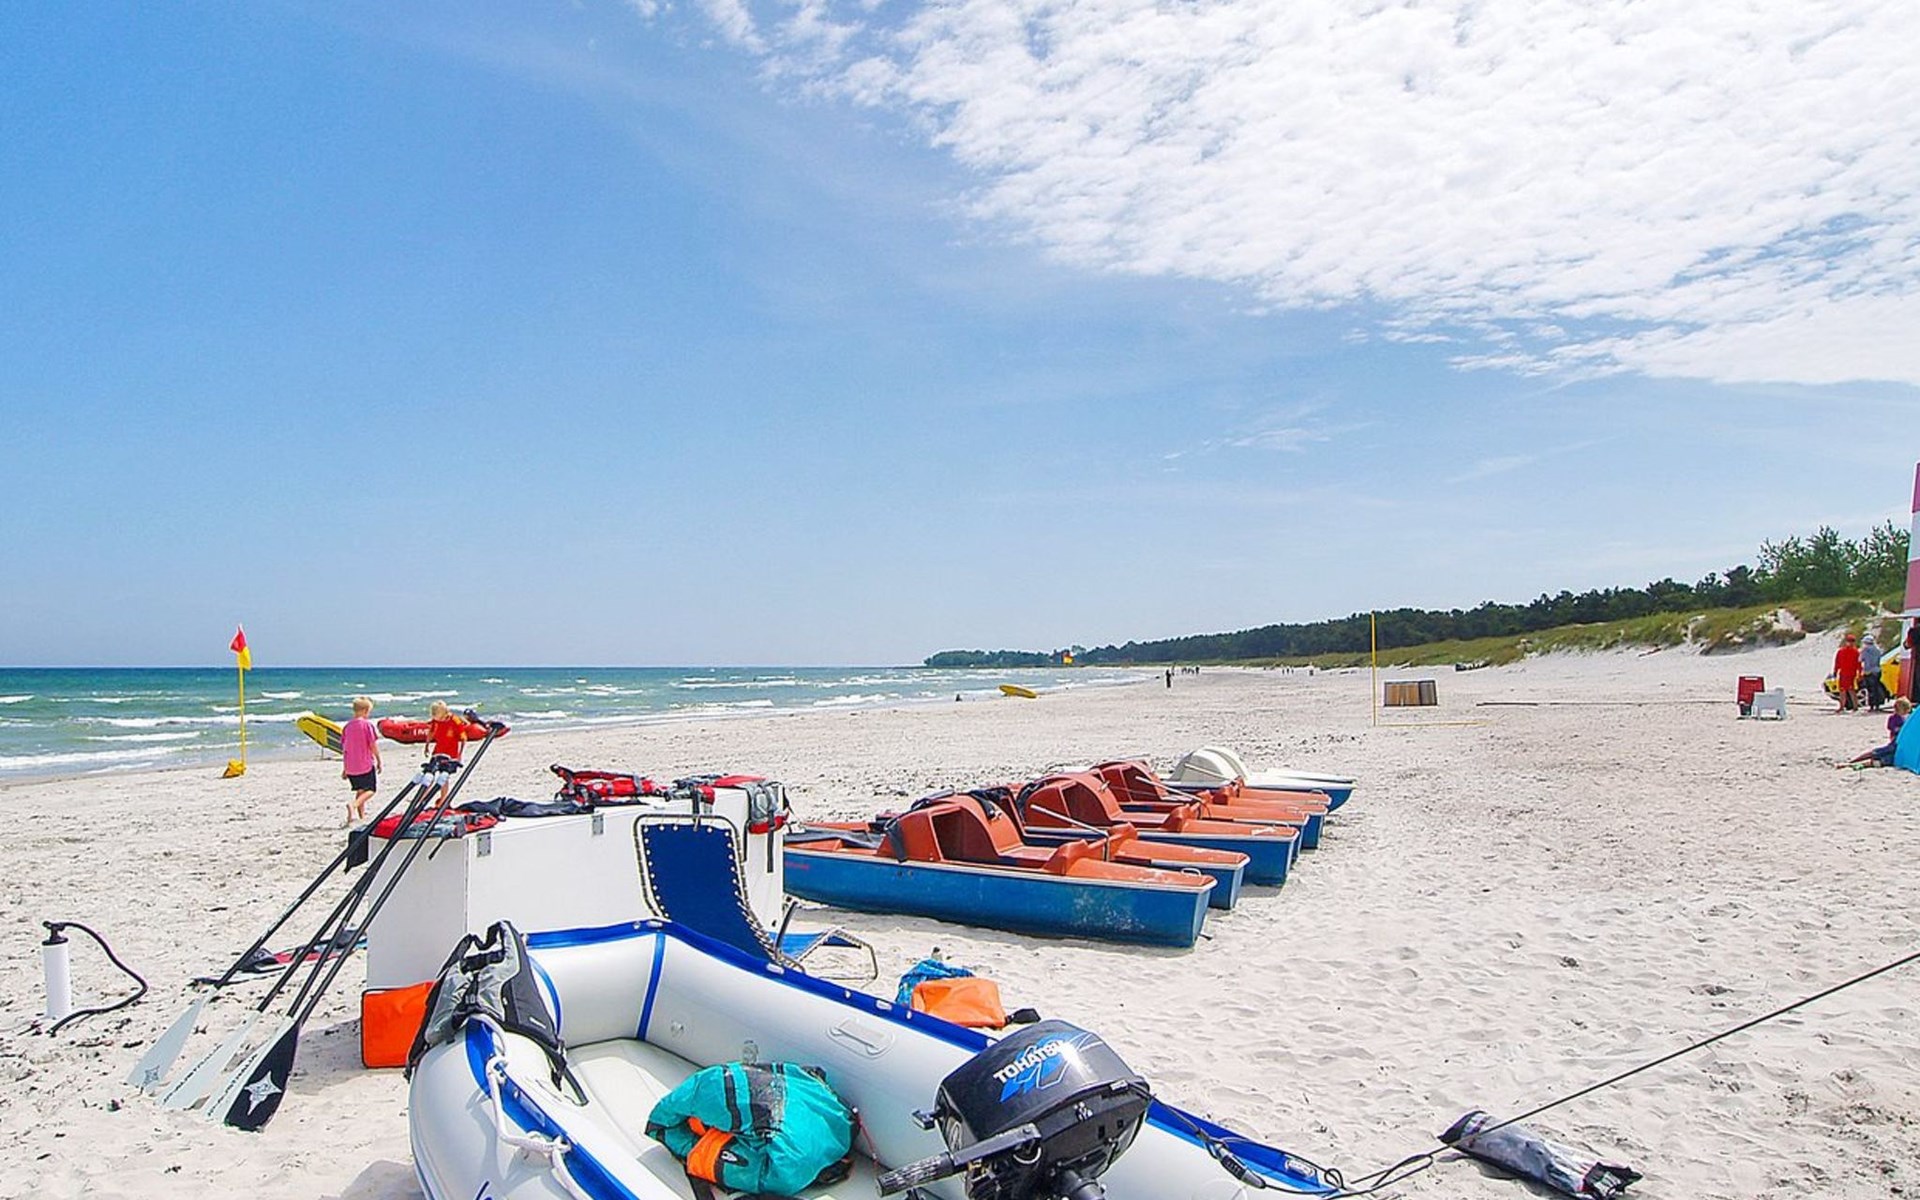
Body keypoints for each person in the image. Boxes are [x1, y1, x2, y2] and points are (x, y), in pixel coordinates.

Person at [340, 696, 381, 824]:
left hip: (351, 766)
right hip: (365, 764)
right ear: (365, 711)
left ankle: (361, 816)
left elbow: (345, 749)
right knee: (370, 790)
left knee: (360, 791)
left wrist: (345, 768)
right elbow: (372, 745)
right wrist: (379, 760)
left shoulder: (347, 727)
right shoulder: (367, 725)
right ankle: (354, 805)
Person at [1840, 697, 1910, 767]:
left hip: (1897, 741)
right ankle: (1852, 762)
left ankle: (1856, 763)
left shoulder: (1903, 718)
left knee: (1883, 755)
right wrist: (1898, 729)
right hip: (1894, 739)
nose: (1906, 713)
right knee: (1878, 752)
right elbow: (1890, 727)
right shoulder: (1893, 717)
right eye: (1905, 711)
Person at [425, 700, 466, 804]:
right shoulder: (435, 721)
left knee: (443, 777)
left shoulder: (455, 721)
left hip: (450, 753)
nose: (435, 718)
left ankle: (443, 800)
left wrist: (460, 755)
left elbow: (463, 738)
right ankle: (422, 798)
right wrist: (427, 745)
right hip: (438, 751)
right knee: (429, 774)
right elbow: (431, 732)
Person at [1833, 632, 1861, 713]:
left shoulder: (1856, 652)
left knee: (1851, 690)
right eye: (1849, 641)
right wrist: (1835, 671)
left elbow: (1859, 664)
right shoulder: (1841, 651)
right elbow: (1837, 662)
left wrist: (1859, 673)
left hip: (1851, 673)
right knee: (1843, 690)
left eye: (1852, 641)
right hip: (1843, 673)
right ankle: (1842, 706)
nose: (1850, 643)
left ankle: (1855, 706)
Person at [1860, 633, 1886, 711]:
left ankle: (1872, 705)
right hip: (1877, 670)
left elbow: (1860, 659)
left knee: (1870, 690)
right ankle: (1877, 705)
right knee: (1876, 688)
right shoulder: (1877, 650)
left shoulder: (1865, 650)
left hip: (1869, 671)